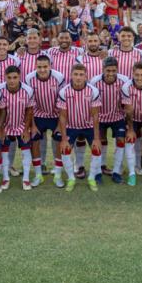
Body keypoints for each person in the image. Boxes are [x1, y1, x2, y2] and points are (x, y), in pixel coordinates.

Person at [56, 64, 102, 192]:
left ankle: (92, 178)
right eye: (75, 74)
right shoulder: (64, 91)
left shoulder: (93, 91)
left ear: (86, 76)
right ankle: (71, 178)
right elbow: (63, 116)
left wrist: (97, 138)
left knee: (97, 149)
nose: (78, 77)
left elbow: (95, 115)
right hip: (72, 126)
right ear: (71, 75)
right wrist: (64, 138)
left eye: (81, 75)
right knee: (65, 150)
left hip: (89, 126)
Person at [26, 55, 64, 184]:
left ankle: (58, 175)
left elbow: (63, 102)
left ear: (50, 66)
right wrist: (33, 125)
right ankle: (38, 174)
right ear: (35, 67)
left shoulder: (59, 77)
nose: (42, 70)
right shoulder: (29, 78)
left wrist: (60, 124)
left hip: (55, 116)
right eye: (39, 67)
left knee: (59, 140)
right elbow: (29, 104)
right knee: (35, 141)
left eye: (45, 67)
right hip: (38, 115)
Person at [0, 66, 34, 190]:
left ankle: (26, 179)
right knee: (5, 153)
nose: (12, 81)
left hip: (21, 126)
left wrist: (26, 129)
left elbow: (29, 111)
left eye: (15, 77)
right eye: (9, 78)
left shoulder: (28, 90)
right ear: (5, 77)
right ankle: (6, 178)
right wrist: (0, 129)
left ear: (19, 77)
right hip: (6, 127)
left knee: (26, 151)